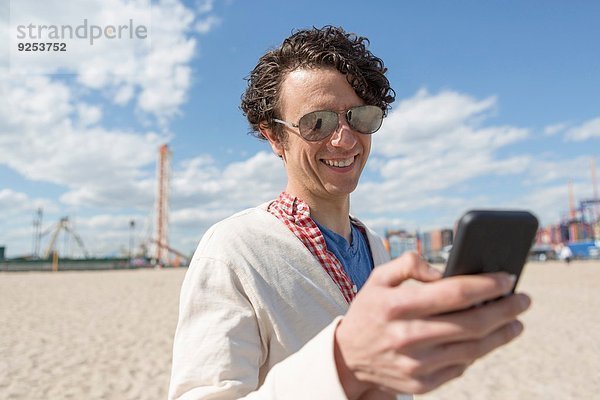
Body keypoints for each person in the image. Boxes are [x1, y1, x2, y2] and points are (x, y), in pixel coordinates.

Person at [168, 26, 531, 400]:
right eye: (317, 123)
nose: (344, 139)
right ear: (274, 137)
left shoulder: (375, 246)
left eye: (360, 117)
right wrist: (343, 363)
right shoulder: (233, 249)